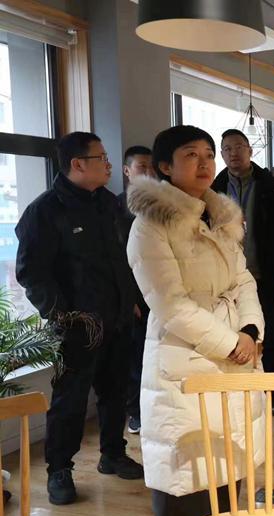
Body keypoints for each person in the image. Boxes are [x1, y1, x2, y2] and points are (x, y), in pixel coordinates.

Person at [126, 125, 266, 516]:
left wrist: (251, 330)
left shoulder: (220, 216)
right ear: (165, 167)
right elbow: (171, 304)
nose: (204, 163)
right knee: (186, 481)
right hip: (184, 358)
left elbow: (243, 280)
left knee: (228, 479)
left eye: (208, 154)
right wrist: (232, 343)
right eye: (191, 155)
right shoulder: (150, 225)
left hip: (233, 355)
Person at [15, 132, 142, 506]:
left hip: (117, 319)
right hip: (77, 327)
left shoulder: (108, 203)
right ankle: (59, 469)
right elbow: (32, 274)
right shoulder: (45, 211)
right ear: (77, 164)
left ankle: (112, 453)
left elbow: (124, 259)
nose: (108, 164)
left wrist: (131, 300)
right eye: (101, 157)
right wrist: (64, 317)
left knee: (115, 392)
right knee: (69, 401)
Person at [212, 129, 274, 416]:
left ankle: (272, 394)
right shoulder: (215, 187)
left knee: (269, 334)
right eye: (227, 149)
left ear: (250, 150)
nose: (233, 153)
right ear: (222, 154)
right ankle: (238, 392)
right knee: (230, 334)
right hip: (226, 279)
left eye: (239, 147)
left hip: (264, 272)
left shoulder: (270, 185)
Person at [116, 145, 156, 434]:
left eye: (152, 167)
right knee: (134, 359)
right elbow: (118, 260)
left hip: (159, 294)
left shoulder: (159, 206)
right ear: (127, 171)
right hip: (134, 298)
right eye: (142, 167)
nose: (149, 173)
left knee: (155, 356)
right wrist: (128, 298)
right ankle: (135, 412)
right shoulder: (116, 209)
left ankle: (153, 410)